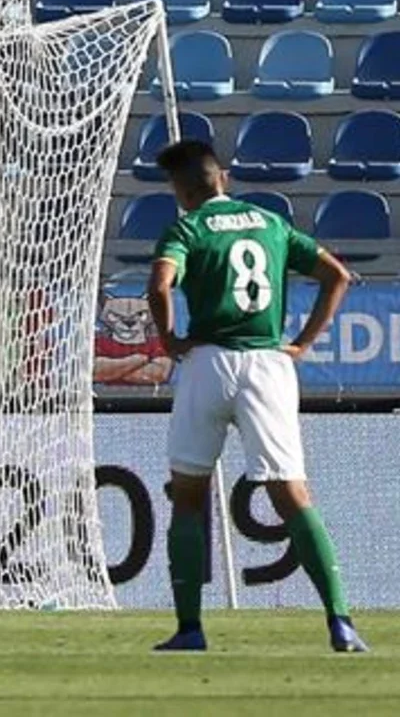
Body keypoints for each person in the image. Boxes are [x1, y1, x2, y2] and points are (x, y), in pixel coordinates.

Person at [146, 139, 365, 653]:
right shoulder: (270, 223)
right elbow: (337, 274)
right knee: (291, 494)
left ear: (180, 190)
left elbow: (159, 286)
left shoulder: (187, 227)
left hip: (209, 362)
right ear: (221, 176)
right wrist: (304, 343)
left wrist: (171, 339)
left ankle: (190, 629)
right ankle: (341, 622)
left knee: (189, 495)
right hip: (269, 364)